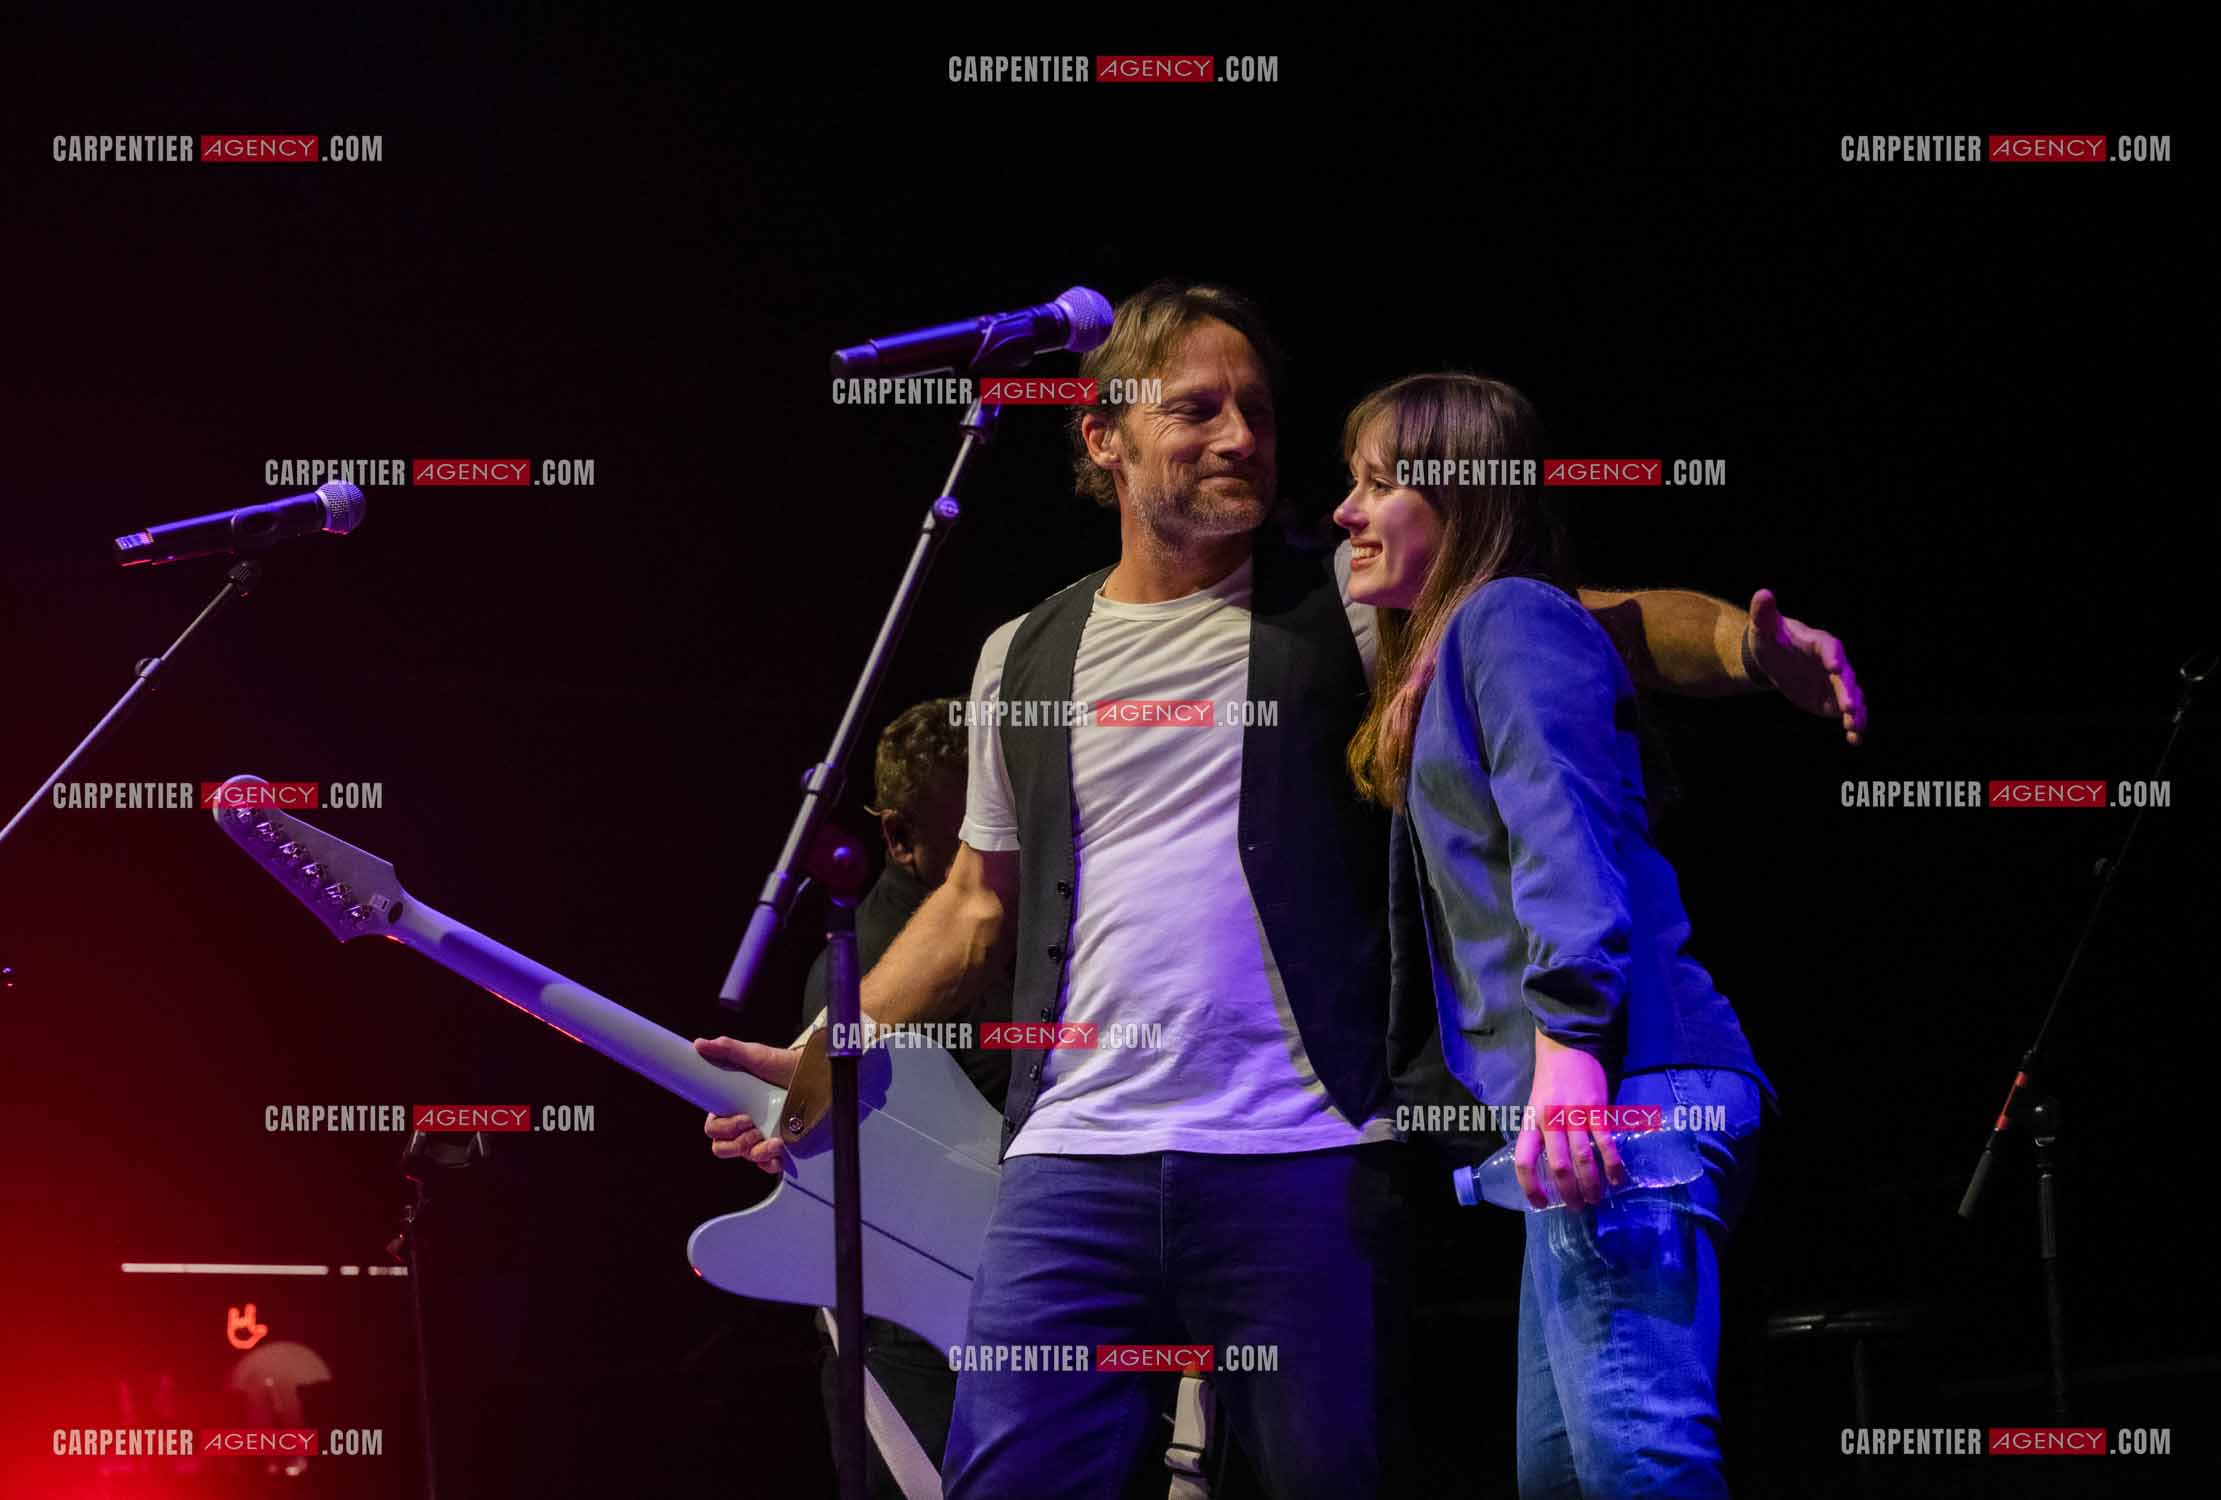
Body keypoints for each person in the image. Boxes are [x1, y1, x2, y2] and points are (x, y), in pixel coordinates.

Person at [696, 282, 1862, 1499]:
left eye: (1255, 408)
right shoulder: (1021, 654)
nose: (1242, 436)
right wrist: (842, 1032)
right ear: (1104, 436)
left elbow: (1587, 623)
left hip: (1302, 1154)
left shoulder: (1343, 605)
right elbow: (977, 904)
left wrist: (1742, 644)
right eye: (1196, 408)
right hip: (1074, 1158)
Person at [1337, 372, 1774, 1498]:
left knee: (1639, 1467)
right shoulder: (1444, 655)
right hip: (1590, 1113)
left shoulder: (1512, 617)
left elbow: (1561, 830)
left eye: (1378, 484)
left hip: (1628, 1093)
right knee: (1569, 1480)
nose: (1346, 512)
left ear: (1461, 502)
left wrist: (1571, 1047)